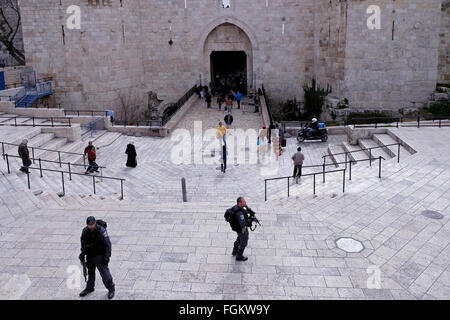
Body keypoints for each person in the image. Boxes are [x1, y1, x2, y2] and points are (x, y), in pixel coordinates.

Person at [79, 216, 115, 299]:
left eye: (92, 224)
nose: (91, 226)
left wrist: (107, 256)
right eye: (89, 225)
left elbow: (107, 244)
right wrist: (82, 253)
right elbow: (83, 243)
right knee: (90, 273)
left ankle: (111, 289)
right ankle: (89, 288)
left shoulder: (101, 231)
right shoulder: (85, 231)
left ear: (95, 223)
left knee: (105, 274)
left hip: (100, 255)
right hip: (90, 255)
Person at [230, 197, 253, 261]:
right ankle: (239, 256)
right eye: (244, 202)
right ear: (240, 203)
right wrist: (250, 220)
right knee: (243, 242)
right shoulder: (239, 213)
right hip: (242, 229)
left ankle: (234, 251)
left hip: (238, 229)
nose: (245, 203)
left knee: (239, 238)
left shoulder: (236, 207)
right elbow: (242, 224)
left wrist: (248, 209)